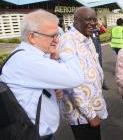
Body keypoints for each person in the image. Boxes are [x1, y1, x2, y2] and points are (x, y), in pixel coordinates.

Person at [0, 9, 84, 139]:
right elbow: (76, 77)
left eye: (58, 35)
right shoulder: (28, 61)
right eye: (53, 36)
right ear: (32, 37)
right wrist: (65, 53)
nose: (57, 41)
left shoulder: (23, 55)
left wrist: (50, 92)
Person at [58, 7, 108, 140]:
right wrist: (91, 114)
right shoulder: (67, 42)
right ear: (76, 20)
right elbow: (71, 84)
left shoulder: (86, 38)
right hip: (81, 114)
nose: (93, 23)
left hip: (91, 106)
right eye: (88, 19)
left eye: (94, 19)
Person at [92, 24, 109, 90]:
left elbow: (104, 30)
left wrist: (97, 23)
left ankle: (102, 83)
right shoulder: (87, 30)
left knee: (100, 67)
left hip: (98, 51)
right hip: (90, 52)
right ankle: (95, 84)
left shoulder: (96, 30)